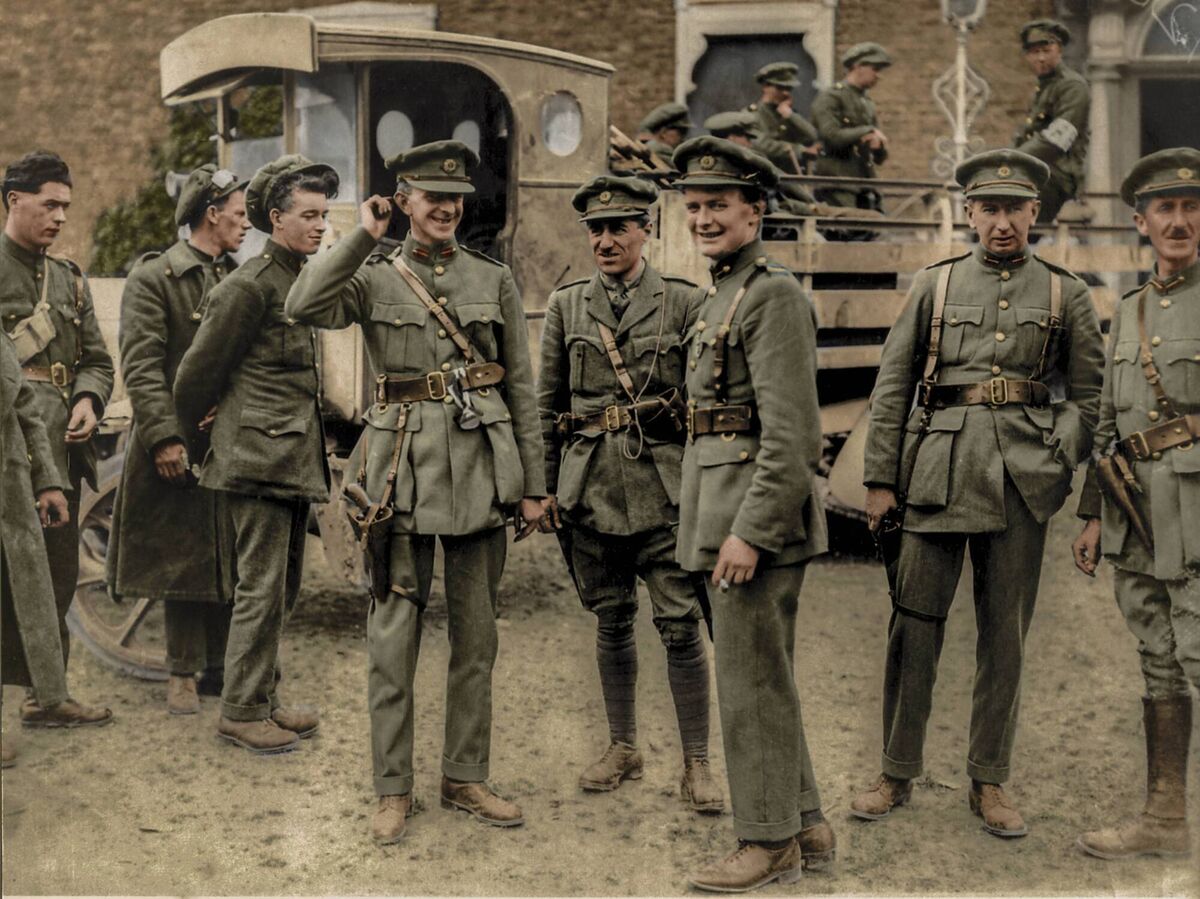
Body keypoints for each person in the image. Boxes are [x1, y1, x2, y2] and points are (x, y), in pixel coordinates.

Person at [285, 140, 546, 845]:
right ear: (401, 201)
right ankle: (392, 787)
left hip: (480, 471)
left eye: (455, 198)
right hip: (396, 472)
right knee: (392, 639)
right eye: (432, 196)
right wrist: (360, 236)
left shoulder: (492, 278)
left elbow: (521, 389)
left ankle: (465, 775)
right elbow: (304, 303)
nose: (446, 208)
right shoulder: (373, 275)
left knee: (477, 639)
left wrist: (533, 486)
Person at [853, 149, 1104, 837]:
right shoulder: (934, 286)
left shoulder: (1065, 293)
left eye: (1014, 210)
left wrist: (1059, 454)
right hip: (935, 473)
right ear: (969, 213)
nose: (1002, 223)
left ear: (1034, 213)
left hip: (1022, 480)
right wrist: (880, 479)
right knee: (914, 625)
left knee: (1005, 636)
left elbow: (1091, 397)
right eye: (989, 209)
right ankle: (896, 769)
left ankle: (989, 778)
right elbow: (892, 386)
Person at [669, 136, 834, 891]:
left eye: (719, 205)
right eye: (694, 206)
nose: (704, 218)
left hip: (752, 525)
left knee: (749, 684)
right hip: (721, 513)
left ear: (754, 212)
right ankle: (805, 821)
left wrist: (751, 531)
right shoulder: (723, 291)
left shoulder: (772, 295)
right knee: (763, 674)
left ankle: (767, 841)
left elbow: (793, 436)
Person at [535, 174, 722, 813]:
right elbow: (546, 406)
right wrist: (544, 487)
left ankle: (697, 762)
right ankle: (623, 746)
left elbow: (704, 405)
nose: (606, 241)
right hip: (588, 489)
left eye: (619, 227)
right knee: (611, 618)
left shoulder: (685, 302)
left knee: (680, 624)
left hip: (665, 490)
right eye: (596, 230)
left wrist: (706, 491)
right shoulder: (567, 306)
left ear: (648, 230)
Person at [173, 155, 335, 755]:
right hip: (256, 463)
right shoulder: (248, 287)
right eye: (308, 215)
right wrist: (210, 441)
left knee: (282, 589)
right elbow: (194, 380)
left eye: (323, 215)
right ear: (276, 218)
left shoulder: (297, 281)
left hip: (288, 460)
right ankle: (240, 710)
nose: (320, 226)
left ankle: (263, 697)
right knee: (261, 588)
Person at [1072, 148, 1200, 860]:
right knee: (1158, 658)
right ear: (1140, 223)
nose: (1178, 221)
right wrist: (1094, 511)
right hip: (1137, 508)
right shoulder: (1129, 308)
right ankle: (1164, 819)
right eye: (1164, 209)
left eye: (1191, 207)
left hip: (1198, 507)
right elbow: (1105, 421)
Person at [107, 165, 250, 715]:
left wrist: (232, 409)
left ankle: (220, 670)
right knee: (181, 555)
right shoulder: (155, 277)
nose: (246, 224)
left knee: (227, 552)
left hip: (227, 441)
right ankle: (181, 674)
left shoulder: (236, 276)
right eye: (239, 214)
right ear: (211, 214)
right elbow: (141, 367)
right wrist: (165, 438)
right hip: (177, 442)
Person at [1, 151, 114, 725]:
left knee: (58, 573)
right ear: (13, 200)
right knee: (7, 578)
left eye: (66, 207)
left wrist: (89, 400)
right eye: (49, 205)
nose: (61, 217)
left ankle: (45, 694)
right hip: (7, 447)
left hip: (61, 449)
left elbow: (97, 361)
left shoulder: (69, 279)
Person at [2, 332, 112, 767]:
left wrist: (48, 481)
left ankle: (45, 694)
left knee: (43, 585)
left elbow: (25, 404)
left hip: (19, 471)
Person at [1013, 20, 1089, 224]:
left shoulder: (1073, 87)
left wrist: (1012, 158)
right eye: (1034, 52)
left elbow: (1056, 141)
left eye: (1046, 51)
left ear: (1059, 50)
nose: (1040, 58)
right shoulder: (1043, 88)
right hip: (1037, 173)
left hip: (1059, 177)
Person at [811, 42, 891, 212]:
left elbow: (879, 157)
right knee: (845, 225)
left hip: (864, 183)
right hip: (837, 181)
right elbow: (831, 135)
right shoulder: (831, 97)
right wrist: (867, 131)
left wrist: (877, 146)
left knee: (872, 225)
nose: (879, 75)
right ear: (858, 67)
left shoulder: (867, 103)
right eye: (875, 69)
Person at [743, 62, 819, 175]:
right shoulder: (751, 115)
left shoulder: (788, 114)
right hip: (764, 174)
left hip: (791, 175)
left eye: (789, 88)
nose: (785, 93)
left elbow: (812, 136)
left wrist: (791, 116)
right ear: (765, 87)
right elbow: (762, 145)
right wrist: (799, 150)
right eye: (780, 88)